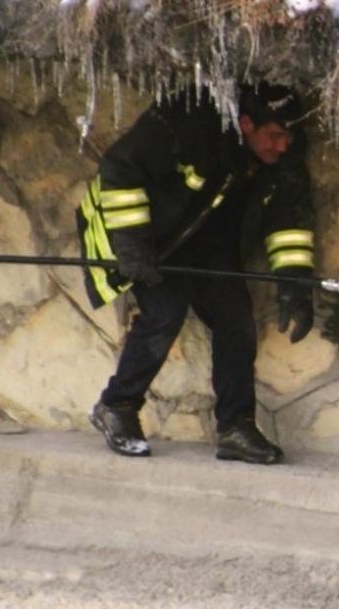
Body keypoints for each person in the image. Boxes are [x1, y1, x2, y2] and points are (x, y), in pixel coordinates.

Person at [77, 82, 316, 465]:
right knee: (164, 313)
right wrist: (133, 248)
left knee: (236, 320)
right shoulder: (188, 118)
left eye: (289, 136)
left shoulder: (283, 154)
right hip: (141, 234)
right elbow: (119, 169)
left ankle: (236, 428)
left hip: (206, 240)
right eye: (275, 136)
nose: (283, 146)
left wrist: (295, 284)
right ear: (246, 123)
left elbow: (289, 217)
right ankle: (116, 407)